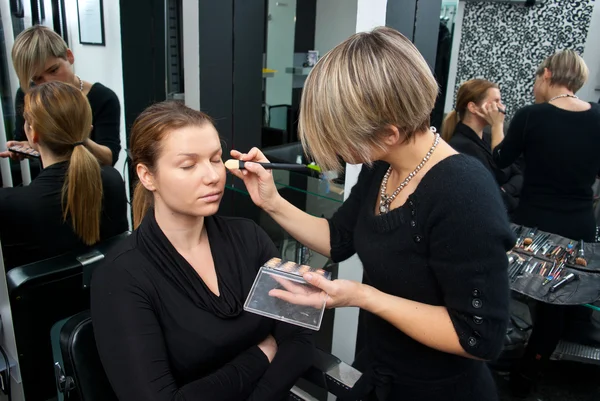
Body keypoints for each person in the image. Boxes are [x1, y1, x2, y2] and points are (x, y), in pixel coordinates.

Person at [229, 27, 514, 401]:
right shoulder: (383, 166)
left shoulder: (463, 192)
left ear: (390, 134)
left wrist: (363, 296)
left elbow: (478, 336)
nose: (336, 148)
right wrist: (271, 201)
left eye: (341, 135)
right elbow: (339, 239)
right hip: (378, 371)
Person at [91, 101, 314, 401]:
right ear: (147, 176)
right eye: (188, 165)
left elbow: (299, 335)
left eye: (215, 159)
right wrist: (262, 354)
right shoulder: (120, 277)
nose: (212, 176)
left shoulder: (249, 237)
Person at [479, 49, 600, 397]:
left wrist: (499, 124)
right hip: (577, 228)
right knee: (554, 310)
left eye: (536, 79)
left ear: (547, 74)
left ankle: (490, 359)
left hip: (533, 229)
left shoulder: (532, 116)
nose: (534, 87)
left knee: (504, 291)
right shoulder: (598, 117)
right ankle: (528, 375)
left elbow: (501, 161)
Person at [0, 81, 128, 270]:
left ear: (33, 133)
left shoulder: (10, 205)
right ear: (88, 130)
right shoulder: (112, 180)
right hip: (107, 295)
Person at [0, 25, 121, 167]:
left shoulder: (102, 98)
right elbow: (24, 139)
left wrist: (79, 138)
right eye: (38, 79)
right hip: (50, 182)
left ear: (69, 56)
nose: (49, 82)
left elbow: (109, 158)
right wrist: (24, 147)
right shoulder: (29, 95)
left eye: (53, 70)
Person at [442, 79, 523, 214]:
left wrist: (505, 189)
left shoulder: (489, 139)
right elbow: (491, 195)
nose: (502, 108)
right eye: (496, 101)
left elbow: (519, 174)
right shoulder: (462, 146)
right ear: (473, 107)